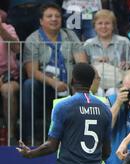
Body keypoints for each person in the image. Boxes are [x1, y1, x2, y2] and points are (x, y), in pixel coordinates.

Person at [22, 2, 88, 145]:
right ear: (41, 21)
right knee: (29, 85)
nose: (54, 19)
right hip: (45, 86)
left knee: (84, 84)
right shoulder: (33, 39)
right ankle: (30, 138)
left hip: (70, 85)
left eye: (57, 16)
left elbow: (82, 63)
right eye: (49, 16)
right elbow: (31, 71)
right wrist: (54, 83)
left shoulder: (70, 35)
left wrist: (74, 82)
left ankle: (80, 139)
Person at [84, 9, 130, 97]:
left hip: (117, 84)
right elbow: (85, 66)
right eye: (100, 23)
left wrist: (129, 65)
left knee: (112, 93)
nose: (103, 26)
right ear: (94, 26)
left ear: (113, 26)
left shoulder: (124, 42)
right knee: (98, 93)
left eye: (107, 23)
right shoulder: (88, 44)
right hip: (96, 85)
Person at [0, 9, 20, 145]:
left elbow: (17, 49)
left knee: (8, 91)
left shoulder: (8, 28)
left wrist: (1, 30)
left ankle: (11, 136)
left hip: (9, 76)